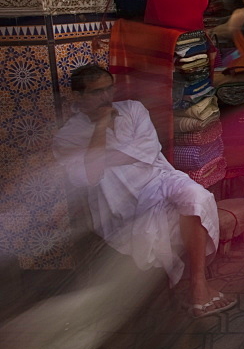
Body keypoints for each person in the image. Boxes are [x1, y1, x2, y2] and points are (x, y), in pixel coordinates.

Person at [51, 64, 234, 318]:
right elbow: (89, 176)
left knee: (196, 197)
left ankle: (197, 284)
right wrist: (101, 127)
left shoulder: (133, 110)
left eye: (109, 89)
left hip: (159, 180)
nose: (106, 97)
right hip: (119, 203)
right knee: (178, 216)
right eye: (96, 92)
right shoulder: (67, 136)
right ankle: (196, 285)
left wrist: (105, 157)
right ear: (79, 97)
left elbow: (148, 151)